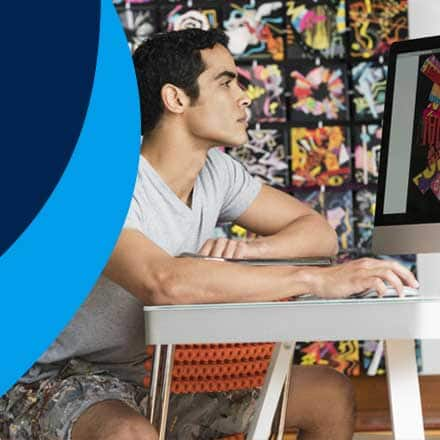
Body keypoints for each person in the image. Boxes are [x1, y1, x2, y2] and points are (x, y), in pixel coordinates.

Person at [0, 29, 418, 440]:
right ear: (176, 98)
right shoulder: (103, 181)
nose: (244, 96)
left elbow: (319, 234)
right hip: (42, 382)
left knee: (329, 395)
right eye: (226, 82)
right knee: (128, 433)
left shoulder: (218, 173)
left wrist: (251, 250)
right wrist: (313, 278)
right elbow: (161, 281)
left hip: (142, 379)